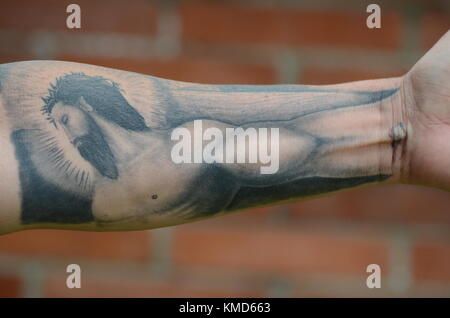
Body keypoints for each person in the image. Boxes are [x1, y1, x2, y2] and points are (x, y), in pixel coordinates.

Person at [0, 31, 448, 235]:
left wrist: (402, 118)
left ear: (85, 106)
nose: (63, 131)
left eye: (64, 118)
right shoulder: (111, 185)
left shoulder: (181, 139)